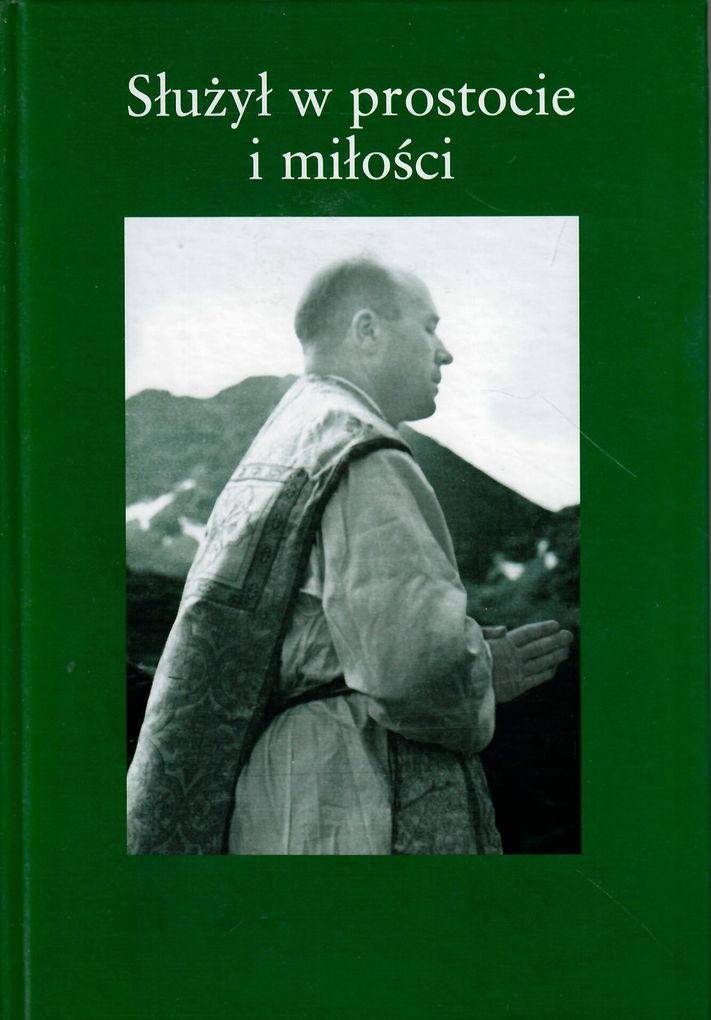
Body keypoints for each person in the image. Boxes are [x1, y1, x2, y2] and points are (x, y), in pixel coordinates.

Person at [127, 256, 572, 855]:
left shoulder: (289, 441)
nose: (445, 353)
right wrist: (480, 671)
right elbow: (411, 671)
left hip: (278, 789)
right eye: (429, 327)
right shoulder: (364, 454)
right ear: (367, 331)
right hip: (353, 788)